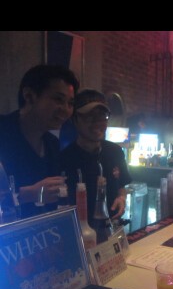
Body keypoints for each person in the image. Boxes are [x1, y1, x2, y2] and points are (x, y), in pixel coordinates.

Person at [0, 64, 79, 219]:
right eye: (58, 99)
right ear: (29, 96)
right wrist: (28, 194)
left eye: (70, 103)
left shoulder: (52, 144)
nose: (66, 109)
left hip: (41, 231)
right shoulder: (3, 131)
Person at [60, 89, 132, 229]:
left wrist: (121, 198)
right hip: (79, 233)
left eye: (102, 116)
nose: (98, 122)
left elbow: (121, 186)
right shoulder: (64, 159)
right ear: (75, 119)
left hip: (112, 230)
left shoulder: (115, 152)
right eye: (89, 116)